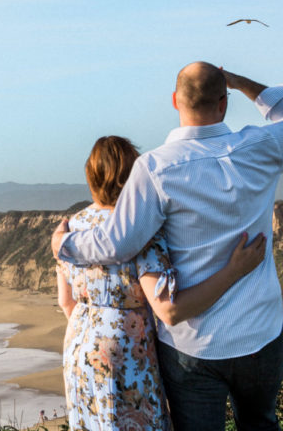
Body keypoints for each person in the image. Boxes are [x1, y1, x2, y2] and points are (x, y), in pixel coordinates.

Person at [52, 63, 283, 430]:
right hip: (260, 331)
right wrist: (240, 83)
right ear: (224, 103)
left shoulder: (155, 168)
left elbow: (117, 242)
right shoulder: (262, 146)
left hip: (193, 343)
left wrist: (65, 244)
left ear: (175, 101)